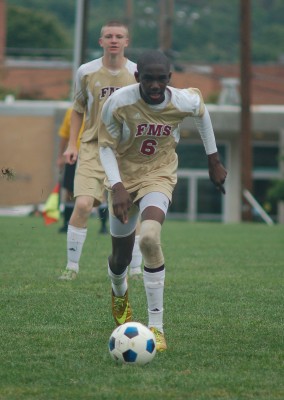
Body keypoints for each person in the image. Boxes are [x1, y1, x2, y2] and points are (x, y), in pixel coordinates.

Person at [98, 50, 227, 351]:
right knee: (121, 259)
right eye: (148, 79)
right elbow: (105, 147)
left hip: (159, 172)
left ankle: (156, 328)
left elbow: (202, 114)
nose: (155, 85)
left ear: (170, 79)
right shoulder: (118, 103)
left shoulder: (183, 100)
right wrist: (117, 186)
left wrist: (214, 159)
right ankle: (119, 295)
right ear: (137, 77)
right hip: (123, 176)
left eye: (161, 79)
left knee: (150, 238)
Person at [58, 20, 142, 280]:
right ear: (101, 41)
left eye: (119, 36)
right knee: (82, 205)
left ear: (127, 42)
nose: (114, 40)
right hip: (93, 147)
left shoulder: (138, 72)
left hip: (125, 153)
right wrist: (72, 144)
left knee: (128, 212)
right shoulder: (86, 71)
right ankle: (71, 267)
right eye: (109, 36)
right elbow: (78, 110)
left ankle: (137, 268)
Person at [56, 108, 109, 235]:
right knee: (69, 190)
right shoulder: (72, 111)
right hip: (75, 155)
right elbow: (65, 135)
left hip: (95, 156)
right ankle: (66, 224)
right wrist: (61, 156)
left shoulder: (101, 109)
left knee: (101, 191)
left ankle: (103, 226)